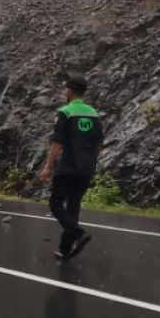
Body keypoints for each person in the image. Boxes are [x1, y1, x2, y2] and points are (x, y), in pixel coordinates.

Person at [38, 73, 104, 261]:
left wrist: (47, 168)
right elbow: (99, 144)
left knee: (56, 204)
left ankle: (78, 233)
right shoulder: (93, 113)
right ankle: (65, 248)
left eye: (65, 88)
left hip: (68, 166)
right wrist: (89, 159)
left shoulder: (65, 112)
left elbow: (58, 143)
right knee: (73, 205)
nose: (64, 91)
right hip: (86, 167)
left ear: (70, 90)